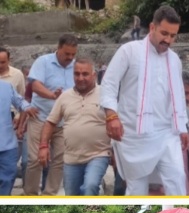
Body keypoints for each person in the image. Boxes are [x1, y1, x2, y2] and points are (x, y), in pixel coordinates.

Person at [101, 6, 189, 196]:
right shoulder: (129, 51)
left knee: (177, 179)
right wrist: (111, 116)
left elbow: (178, 95)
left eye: (173, 36)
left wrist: (182, 127)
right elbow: (109, 84)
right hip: (135, 134)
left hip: (167, 133)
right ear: (152, 27)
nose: (168, 40)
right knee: (136, 189)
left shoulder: (174, 59)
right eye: (164, 33)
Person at [38, 58, 111, 196]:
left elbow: (116, 122)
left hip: (99, 154)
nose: (80, 78)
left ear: (94, 75)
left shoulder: (106, 95)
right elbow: (50, 122)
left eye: (85, 74)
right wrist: (43, 146)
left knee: (90, 186)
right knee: (71, 195)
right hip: (71, 158)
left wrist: (117, 153)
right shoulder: (64, 97)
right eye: (77, 74)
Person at [24, 34, 78, 196]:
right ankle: (31, 195)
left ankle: (49, 194)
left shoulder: (76, 67)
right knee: (34, 160)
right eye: (66, 54)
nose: (70, 58)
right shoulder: (43, 62)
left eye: (73, 54)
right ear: (58, 48)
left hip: (63, 123)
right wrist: (52, 95)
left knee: (60, 161)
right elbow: (35, 85)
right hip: (40, 118)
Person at [0, 81, 34, 195]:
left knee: (8, 177)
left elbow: (20, 102)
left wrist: (28, 108)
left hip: (6, 143)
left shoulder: (6, 86)